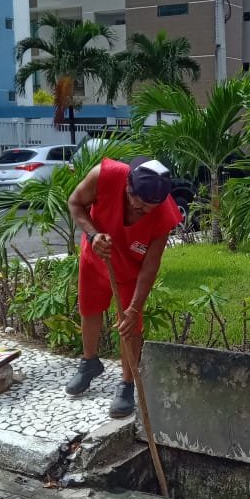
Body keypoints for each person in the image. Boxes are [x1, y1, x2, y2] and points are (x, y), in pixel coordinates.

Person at [66, 155, 182, 416]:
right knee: (89, 309)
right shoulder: (105, 175)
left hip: (131, 271)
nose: (137, 208)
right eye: (134, 200)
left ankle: (127, 384)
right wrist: (93, 235)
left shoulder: (164, 215)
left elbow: (150, 266)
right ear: (128, 184)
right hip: (97, 256)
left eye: (146, 208)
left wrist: (134, 308)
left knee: (131, 326)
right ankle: (89, 362)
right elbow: (75, 203)